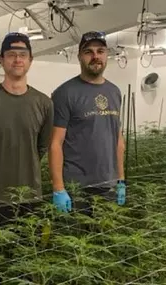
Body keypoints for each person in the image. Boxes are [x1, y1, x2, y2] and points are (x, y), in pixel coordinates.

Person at [0, 32, 54, 227]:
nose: (17, 59)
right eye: (11, 54)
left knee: (29, 253)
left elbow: (41, 146)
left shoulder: (44, 103)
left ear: (30, 60)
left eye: (22, 54)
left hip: (30, 197)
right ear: (1, 60)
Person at [49, 31, 126, 214]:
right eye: (89, 52)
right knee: (76, 241)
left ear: (107, 55)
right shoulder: (65, 93)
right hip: (76, 187)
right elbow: (55, 143)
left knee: (106, 240)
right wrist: (58, 188)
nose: (95, 56)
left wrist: (121, 180)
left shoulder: (114, 91)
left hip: (108, 185)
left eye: (100, 51)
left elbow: (118, 139)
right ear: (79, 56)